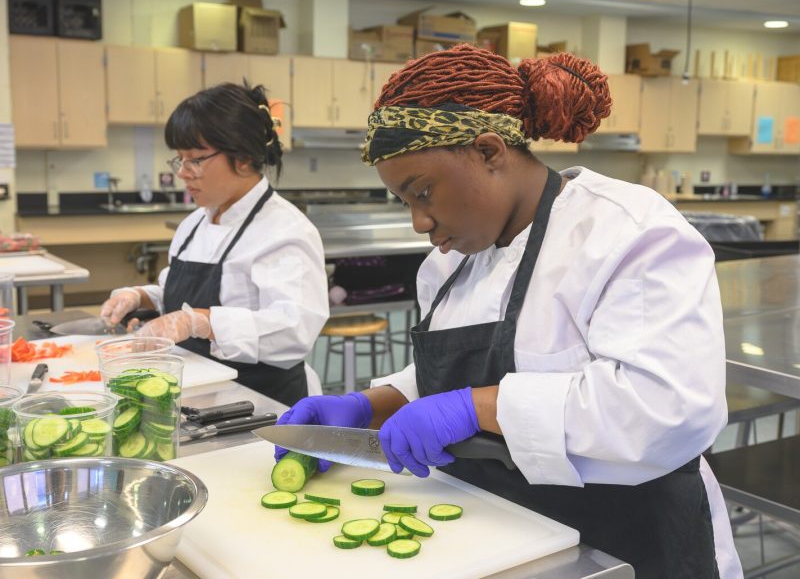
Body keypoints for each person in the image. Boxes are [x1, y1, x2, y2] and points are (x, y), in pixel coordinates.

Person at [274, 45, 742, 578]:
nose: (419, 223)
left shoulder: (626, 232)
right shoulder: (448, 266)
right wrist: (369, 405)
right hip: (506, 537)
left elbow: (667, 409)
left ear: (490, 151)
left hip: (631, 543)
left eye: (423, 192)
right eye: (404, 202)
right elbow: (457, 375)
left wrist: (475, 407)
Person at [100, 82, 329, 405]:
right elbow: (181, 298)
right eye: (179, 160)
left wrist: (202, 321)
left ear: (244, 157)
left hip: (263, 403)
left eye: (195, 159)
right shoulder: (195, 223)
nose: (182, 173)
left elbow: (294, 331)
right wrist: (141, 297)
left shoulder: (285, 230)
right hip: (202, 391)